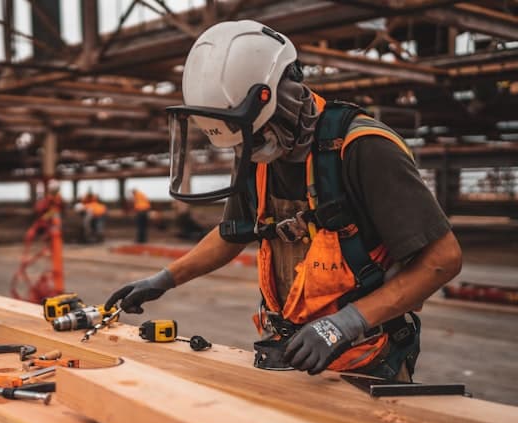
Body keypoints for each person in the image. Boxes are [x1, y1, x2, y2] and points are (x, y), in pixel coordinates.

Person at [105, 20, 462, 382]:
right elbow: (233, 233)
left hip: (367, 360)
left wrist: (346, 323)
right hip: (287, 352)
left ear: (282, 97)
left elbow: (443, 259)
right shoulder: (255, 152)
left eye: (255, 134)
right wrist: (164, 279)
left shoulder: (362, 148)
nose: (249, 148)